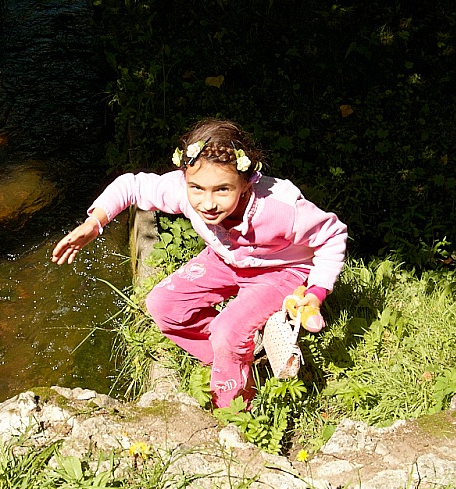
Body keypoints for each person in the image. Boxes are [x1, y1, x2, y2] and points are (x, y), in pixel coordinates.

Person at [52, 118, 347, 408]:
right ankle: (239, 358)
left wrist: (317, 291)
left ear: (246, 183)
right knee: (162, 304)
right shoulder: (182, 189)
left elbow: (332, 235)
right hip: (225, 260)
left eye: (222, 190)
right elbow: (132, 185)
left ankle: (236, 411)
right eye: (197, 188)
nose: (207, 203)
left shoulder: (279, 209)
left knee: (227, 332)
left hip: (279, 271)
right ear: (185, 178)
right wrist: (95, 223)